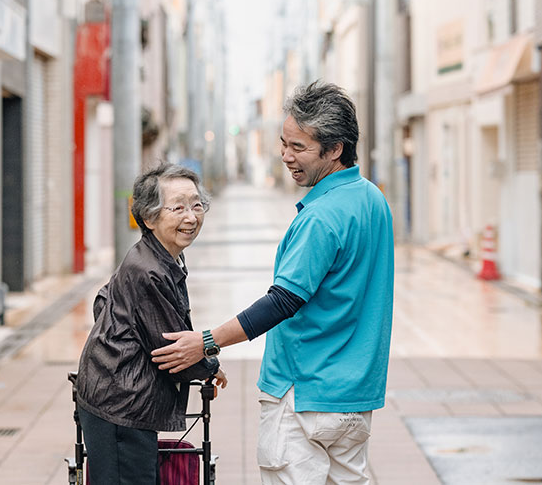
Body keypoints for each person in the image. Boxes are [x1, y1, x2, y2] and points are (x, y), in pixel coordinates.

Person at [151, 81, 394, 484]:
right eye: (284, 143)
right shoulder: (372, 200)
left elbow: (281, 301)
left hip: (304, 396)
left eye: (299, 147)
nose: (286, 156)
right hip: (355, 399)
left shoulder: (321, 217)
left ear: (335, 149)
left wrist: (205, 341)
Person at [75, 162, 228, 485]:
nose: (191, 217)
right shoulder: (149, 270)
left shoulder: (155, 256)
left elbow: (103, 301)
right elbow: (174, 350)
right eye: (177, 208)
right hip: (119, 405)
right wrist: (210, 364)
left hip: (116, 397)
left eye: (196, 205)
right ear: (148, 217)